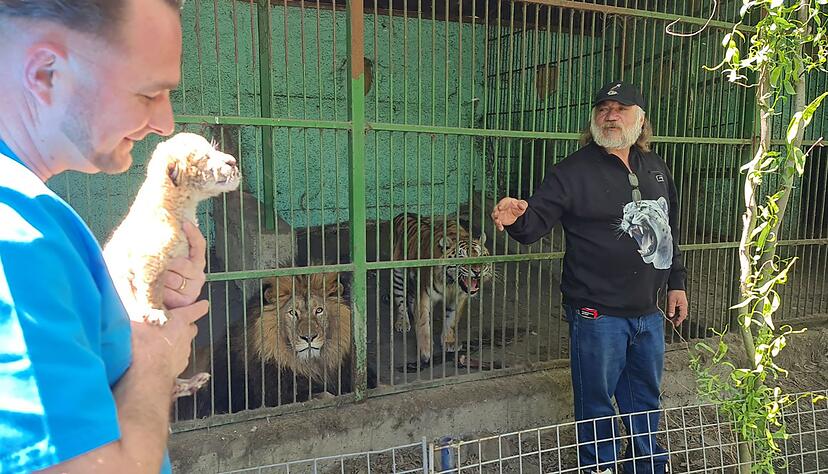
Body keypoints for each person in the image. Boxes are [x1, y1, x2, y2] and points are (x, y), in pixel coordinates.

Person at [0, 1, 207, 473]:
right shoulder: (15, 235)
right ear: (46, 74)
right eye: (148, 94)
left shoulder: (32, 212)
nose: (166, 123)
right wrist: (157, 359)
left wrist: (125, 298)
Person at [491, 81, 689, 474]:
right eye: (603, 108)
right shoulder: (571, 172)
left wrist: (677, 283)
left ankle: (647, 465)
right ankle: (599, 467)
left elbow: (669, 230)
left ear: (641, 119)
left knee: (645, 400)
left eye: (621, 108)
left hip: (647, 312)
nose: (610, 116)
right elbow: (534, 224)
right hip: (597, 314)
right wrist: (517, 218)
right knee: (596, 404)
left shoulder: (656, 167)